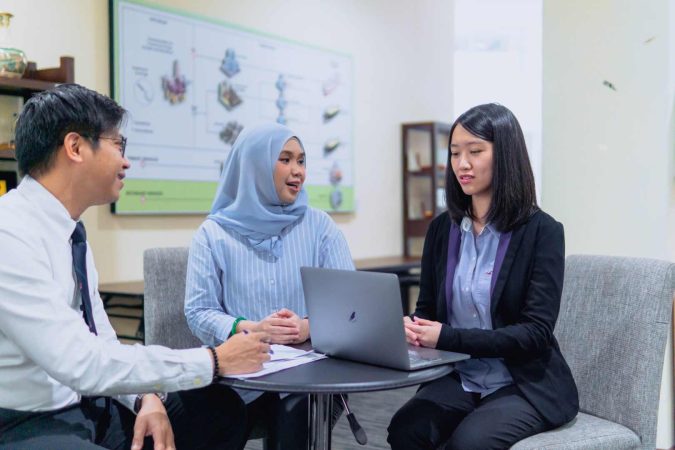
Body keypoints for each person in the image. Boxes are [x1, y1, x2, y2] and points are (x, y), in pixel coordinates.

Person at [0, 83, 271, 450]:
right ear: (75, 147)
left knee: (216, 409)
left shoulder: (70, 230)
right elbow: (80, 362)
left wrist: (147, 397)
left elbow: (101, 340)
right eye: (118, 145)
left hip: (89, 403)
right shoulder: (10, 234)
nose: (126, 161)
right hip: (27, 421)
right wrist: (213, 360)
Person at [387, 104, 579, 449]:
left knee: (470, 444)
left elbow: (535, 333)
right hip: (460, 376)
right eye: (454, 153)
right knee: (406, 429)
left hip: (522, 382)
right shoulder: (442, 231)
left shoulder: (542, 231)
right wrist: (414, 328)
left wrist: (447, 337)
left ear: (505, 155)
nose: (462, 163)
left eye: (475, 151)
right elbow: (428, 309)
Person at [184, 122, 354, 449]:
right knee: (205, 414)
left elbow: (351, 307)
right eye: (285, 159)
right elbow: (198, 311)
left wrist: (306, 327)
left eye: (301, 161)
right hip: (238, 375)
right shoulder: (213, 233)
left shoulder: (320, 226)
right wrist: (250, 328)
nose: (297, 171)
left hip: (309, 374)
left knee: (296, 412)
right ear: (254, 165)